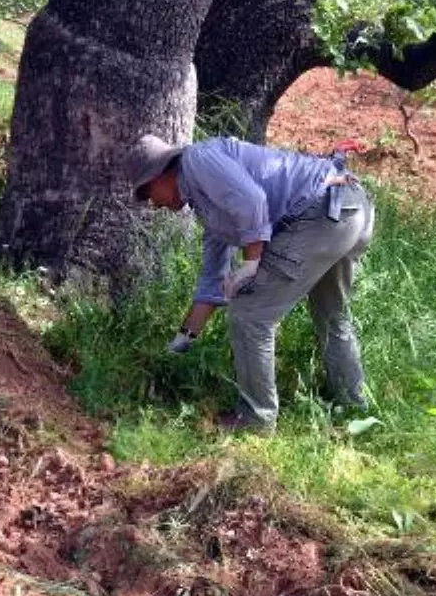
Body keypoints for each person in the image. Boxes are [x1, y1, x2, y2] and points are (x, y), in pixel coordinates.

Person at [127, 133, 375, 435]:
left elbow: (253, 201)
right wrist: (180, 344)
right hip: (348, 208)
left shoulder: (197, 161)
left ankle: (256, 419)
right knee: (331, 313)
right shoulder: (209, 204)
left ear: (160, 175)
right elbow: (212, 282)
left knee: (249, 314)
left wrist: (251, 263)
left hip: (322, 208)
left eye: (146, 193)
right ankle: (351, 403)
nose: (153, 204)